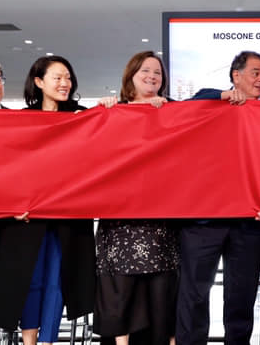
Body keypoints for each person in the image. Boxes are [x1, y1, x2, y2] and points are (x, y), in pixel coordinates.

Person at [0, 55, 95, 345]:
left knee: (57, 281)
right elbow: (9, 167)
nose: (65, 83)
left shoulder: (82, 116)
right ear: (39, 82)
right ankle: (29, 339)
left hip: (67, 216)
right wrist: (10, 205)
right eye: (57, 77)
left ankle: (48, 340)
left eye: (68, 77)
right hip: (28, 217)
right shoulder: (20, 120)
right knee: (32, 279)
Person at [176, 50, 260, 345]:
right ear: (236, 76)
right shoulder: (212, 102)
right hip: (204, 219)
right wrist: (222, 95)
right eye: (256, 72)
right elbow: (189, 104)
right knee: (194, 293)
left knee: (241, 297)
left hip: (249, 220)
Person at [94, 51, 179, 345]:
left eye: (157, 72)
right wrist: (104, 108)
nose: (152, 76)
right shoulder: (113, 111)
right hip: (120, 221)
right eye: (145, 71)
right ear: (130, 76)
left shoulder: (173, 111)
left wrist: (168, 111)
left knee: (161, 296)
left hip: (159, 222)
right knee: (120, 295)